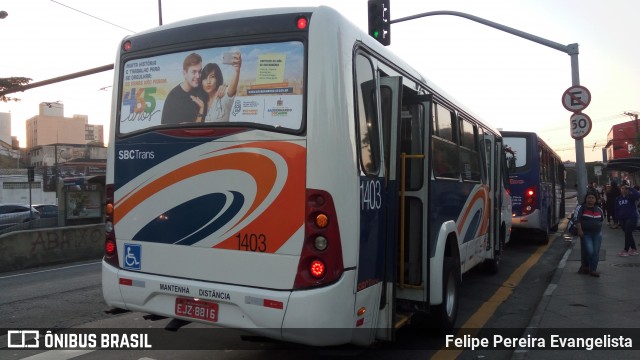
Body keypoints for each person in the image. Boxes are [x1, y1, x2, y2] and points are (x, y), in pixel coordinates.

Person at [161, 52, 207, 125]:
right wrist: (201, 110)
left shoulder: (201, 90)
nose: (198, 76)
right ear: (184, 73)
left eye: (199, 71)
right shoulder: (173, 97)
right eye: (194, 72)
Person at [198, 52, 242, 122]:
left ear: (217, 79)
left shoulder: (223, 95)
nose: (208, 81)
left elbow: (231, 90)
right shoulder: (200, 101)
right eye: (205, 78)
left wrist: (237, 71)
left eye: (212, 77)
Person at [575, 190, 604, 277]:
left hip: (597, 234)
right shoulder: (581, 207)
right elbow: (577, 220)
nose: (590, 199)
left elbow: (601, 220)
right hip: (586, 234)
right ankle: (586, 266)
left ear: (596, 200)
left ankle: (593, 270)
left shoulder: (599, 209)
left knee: (596, 252)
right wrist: (580, 230)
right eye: (589, 198)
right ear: (586, 199)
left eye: (592, 198)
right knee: (590, 251)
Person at [614, 183, 640, 257]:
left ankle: (625, 250)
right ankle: (634, 249)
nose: (624, 190)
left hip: (632, 217)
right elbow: (616, 210)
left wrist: (630, 188)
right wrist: (616, 221)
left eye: (626, 189)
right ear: (620, 189)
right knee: (628, 234)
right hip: (622, 219)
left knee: (628, 233)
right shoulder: (618, 198)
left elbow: (638, 195)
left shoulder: (631, 197)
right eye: (622, 188)